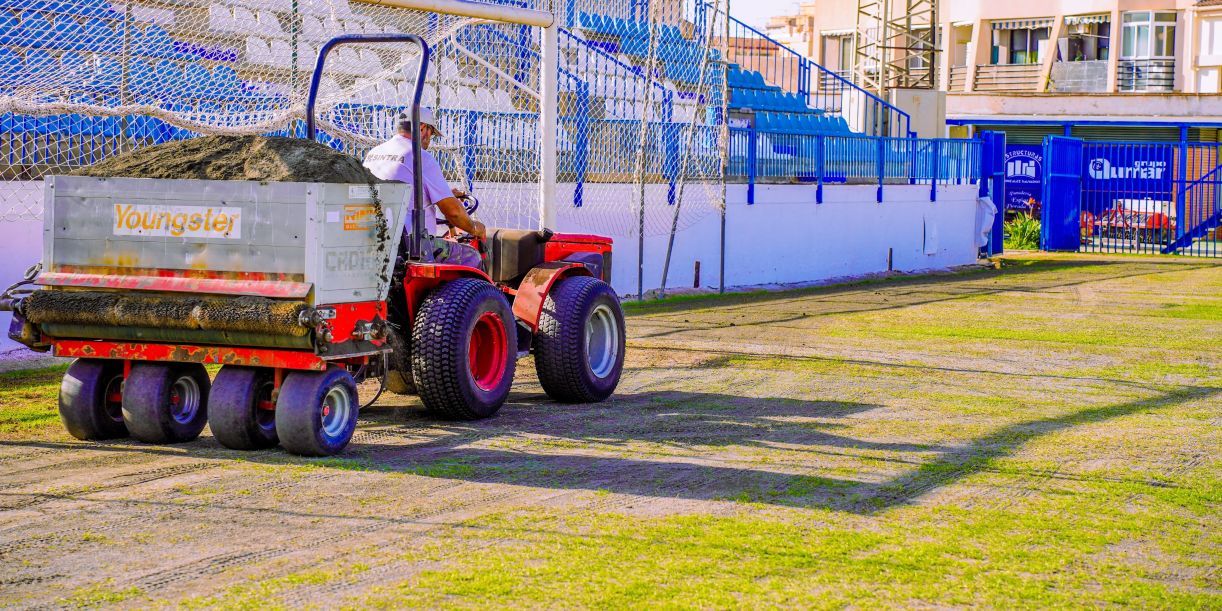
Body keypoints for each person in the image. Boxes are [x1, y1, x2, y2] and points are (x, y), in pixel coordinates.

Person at [362, 107, 485, 268]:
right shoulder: (420, 156)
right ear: (422, 128)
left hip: (376, 239)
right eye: (431, 134)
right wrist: (475, 228)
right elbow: (454, 213)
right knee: (471, 255)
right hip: (413, 246)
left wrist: (447, 195)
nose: (429, 140)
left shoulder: (374, 153)